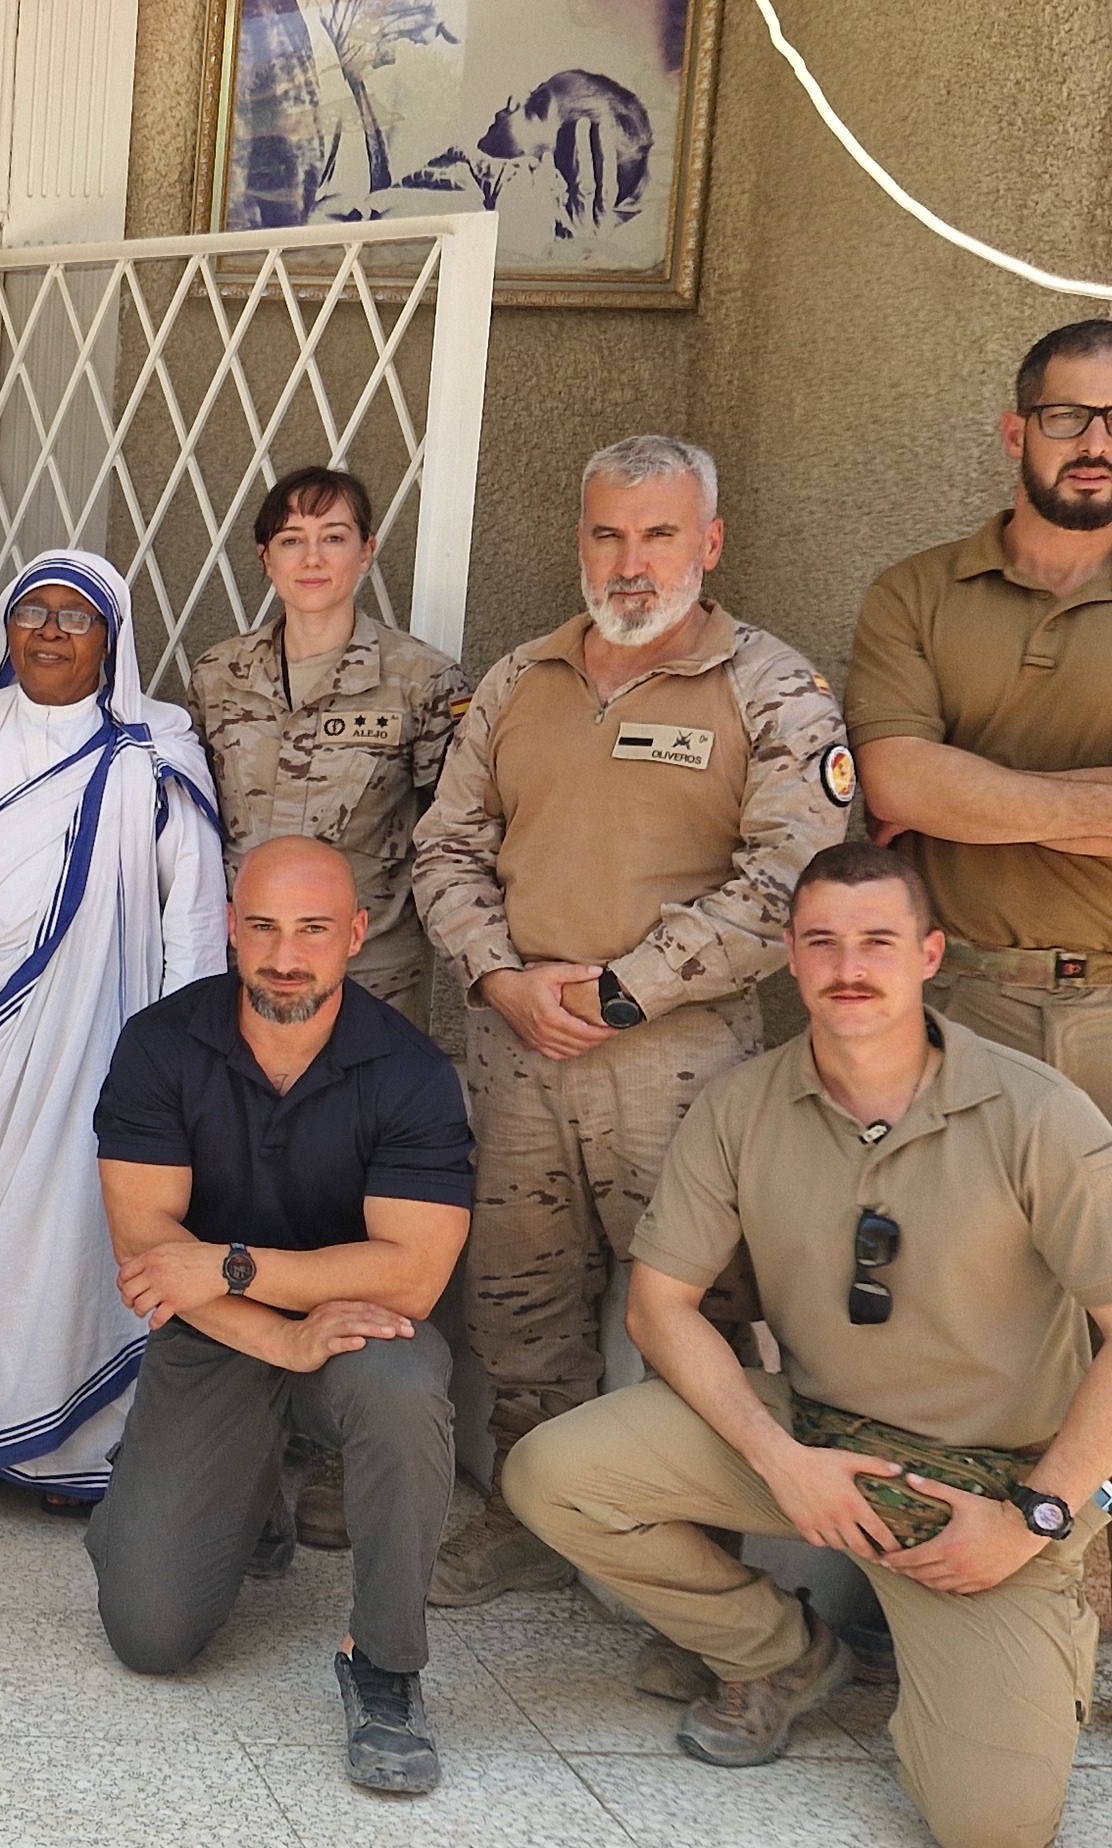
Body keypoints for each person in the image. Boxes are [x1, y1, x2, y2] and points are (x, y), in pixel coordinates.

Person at [502, 843, 1112, 1848]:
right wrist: (778, 1458)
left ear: (928, 953)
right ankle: (781, 1653)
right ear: (790, 956)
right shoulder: (742, 1105)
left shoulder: (1038, 1114)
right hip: (817, 1445)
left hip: (984, 1498)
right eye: (822, 942)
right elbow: (661, 1305)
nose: (847, 966)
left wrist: (1035, 1516)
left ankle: (990, 1677)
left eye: (876, 941)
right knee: (557, 1473)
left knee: (993, 1826)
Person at [845, 320, 1112, 1809]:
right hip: (957, 1008)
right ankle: (924, 1607)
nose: (1092, 443)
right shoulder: (917, 593)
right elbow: (895, 781)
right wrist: (1105, 805)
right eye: (1064, 416)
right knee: (954, 1335)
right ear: (1015, 427)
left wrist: (986, 798)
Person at [409, 433, 849, 1604]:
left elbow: (792, 880)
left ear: (708, 541)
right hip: (517, 1048)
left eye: (658, 533)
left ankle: (703, 1569)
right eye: (608, 533)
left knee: (697, 1307)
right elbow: (445, 843)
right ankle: (523, 1509)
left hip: (680, 1060)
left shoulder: (771, 689)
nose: (632, 561)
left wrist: (624, 988)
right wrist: (501, 979)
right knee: (518, 1300)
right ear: (580, 542)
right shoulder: (519, 680)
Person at [88, 838, 473, 1795]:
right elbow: (147, 1254)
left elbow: (413, 1279)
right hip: (219, 1333)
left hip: (354, 1328)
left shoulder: (414, 1073)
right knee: (152, 1636)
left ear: (355, 935)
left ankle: (384, 1665)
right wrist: (273, 1329)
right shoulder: (162, 1044)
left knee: (401, 1381)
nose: (284, 955)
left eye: (311, 930)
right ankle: (222, 1494)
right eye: (261, 927)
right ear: (230, 927)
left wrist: (232, 1265)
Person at [0, 550, 225, 1512]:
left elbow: (192, 919)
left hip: (101, 1046)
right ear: (6, 632)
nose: (52, 633)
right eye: (34, 614)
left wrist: (189, 1065)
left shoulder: (154, 755)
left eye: (76, 617)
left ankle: (78, 1449)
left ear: (111, 638)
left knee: (75, 1230)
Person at [187, 467, 464, 1032]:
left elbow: (456, 833)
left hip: (371, 977)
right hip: (245, 969)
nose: (312, 559)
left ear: (366, 552)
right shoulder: (218, 676)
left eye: (334, 538)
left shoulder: (423, 682)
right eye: (292, 540)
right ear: (267, 559)